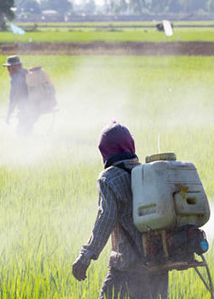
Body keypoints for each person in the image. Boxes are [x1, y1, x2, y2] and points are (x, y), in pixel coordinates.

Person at [71, 121, 169, 299]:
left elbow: (105, 219)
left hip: (127, 266)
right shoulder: (146, 172)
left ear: (106, 151)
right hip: (158, 265)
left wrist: (85, 256)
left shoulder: (109, 178)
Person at [3, 55, 39, 135]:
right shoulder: (27, 74)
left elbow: (13, 99)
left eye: (8, 67)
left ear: (13, 67)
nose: (8, 70)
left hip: (26, 111)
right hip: (35, 108)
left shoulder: (15, 78)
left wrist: (9, 114)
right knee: (28, 130)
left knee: (22, 133)